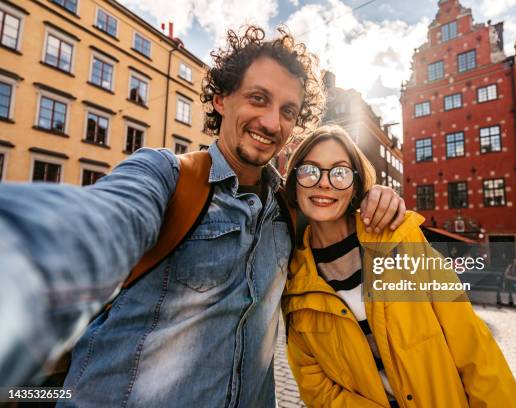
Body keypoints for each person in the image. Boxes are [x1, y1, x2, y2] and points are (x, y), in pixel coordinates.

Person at [0, 26, 406, 406]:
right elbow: (92, 226)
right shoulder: (164, 175)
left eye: (287, 110)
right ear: (221, 98)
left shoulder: (288, 211)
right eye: (258, 98)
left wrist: (374, 198)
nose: (271, 122)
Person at [281, 126, 516, 407]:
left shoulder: (400, 238)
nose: (324, 183)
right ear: (294, 181)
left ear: (356, 186)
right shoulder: (295, 284)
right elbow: (316, 388)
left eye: (340, 172)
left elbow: (473, 346)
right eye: (310, 170)